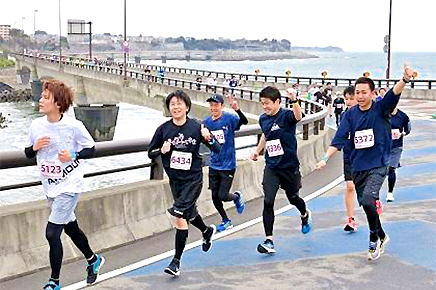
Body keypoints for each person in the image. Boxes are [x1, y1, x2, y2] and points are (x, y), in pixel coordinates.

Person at [316, 65, 415, 261]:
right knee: (368, 206)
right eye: (357, 93)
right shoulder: (350, 115)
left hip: (378, 164)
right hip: (358, 166)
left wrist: (404, 79)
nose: (360, 96)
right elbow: (339, 139)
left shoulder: (381, 108)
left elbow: (394, 94)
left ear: (373, 93)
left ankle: (372, 238)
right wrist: (325, 159)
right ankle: (383, 235)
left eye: (364, 92)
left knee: (370, 201)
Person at [24, 80, 104, 290]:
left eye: (46, 97)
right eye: (41, 97)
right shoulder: (36, 125)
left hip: (70, 185)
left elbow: (91, 149)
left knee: (52, 233)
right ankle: (93, 259)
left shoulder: (73, 126)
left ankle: (54, 282)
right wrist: (34, 147)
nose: (41, 100)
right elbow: (27, 153)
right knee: (71, 228)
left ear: (58, 103)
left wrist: (74, 155)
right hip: (50, 186)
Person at [148, 90, 220, 276]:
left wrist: (208, 137)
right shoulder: (163, 129)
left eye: (180, 103)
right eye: (172, 104)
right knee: (189, 213)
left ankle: (176, 262)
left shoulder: (197, 127)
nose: (176, 107)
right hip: (175, 180)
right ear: (169, 108)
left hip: (193, 178)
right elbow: (151, 152)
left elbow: (217, 149)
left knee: (178, 214)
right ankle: (205, 231)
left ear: (187, 107)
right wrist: (161, 150)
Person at [250, 86, 312, 254]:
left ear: (277, 102)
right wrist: (257, 150)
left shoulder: (285, 115)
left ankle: (304, 214)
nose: (265, 107)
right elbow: (266, 134)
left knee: (293, 198)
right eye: (262, 104)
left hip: (289, 166)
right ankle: (269, 240)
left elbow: (298, 116)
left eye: (268, 103)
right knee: (268, 200)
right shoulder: (263, 119)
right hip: (272, 167)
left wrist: (293, 100)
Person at [203, 93, 249, 232]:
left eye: (216, 105)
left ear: (221, 106)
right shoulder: (206, 122)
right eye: (211, 105)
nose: (213, 107)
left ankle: (236, 196)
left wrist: (237, 109)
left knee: (223, 195)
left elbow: (244, 122)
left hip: (228, 164)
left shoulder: (229, 118)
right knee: (214, 197)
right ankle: (226, 220)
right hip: (214, 164)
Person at [341, 86, 358, 232]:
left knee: (365, 189)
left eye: (351, 99)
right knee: (350, 186)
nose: (348, 101)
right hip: (348, 156)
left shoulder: (366, 115)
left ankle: (374, 200)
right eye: (347, 99)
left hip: (365, 157)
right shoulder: (344, 116)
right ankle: (351, 219)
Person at [386, 106, 411, 202]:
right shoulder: (383, 114)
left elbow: (408, 129)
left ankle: (390, 193)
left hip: (396, 147)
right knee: (381, 170)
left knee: (391, 169)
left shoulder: (403, 116)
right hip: (384, 147)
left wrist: (401, 134)